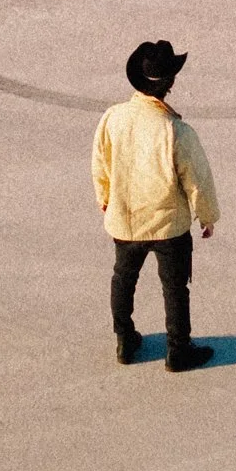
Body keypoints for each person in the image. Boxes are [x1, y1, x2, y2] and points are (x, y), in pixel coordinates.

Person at [92, 40, 220, 373]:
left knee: (123, 278)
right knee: (175, 288)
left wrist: (105, 198)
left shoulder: (112, 118)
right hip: (168, 225)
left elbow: (100, 163)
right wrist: (206, 216)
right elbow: (197, 180)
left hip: (126, 219)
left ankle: (125, 339)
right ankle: (178, 350)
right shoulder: (176, 130)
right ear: (170, 83)